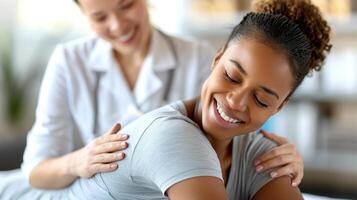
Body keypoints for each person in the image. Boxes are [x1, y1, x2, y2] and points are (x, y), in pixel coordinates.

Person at [1, 0, 332, 199]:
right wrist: (79, 160)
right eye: (100, 17)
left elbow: (243, 108)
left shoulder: (198, 58)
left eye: (126, 4)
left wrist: (284, 157)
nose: (117, 24)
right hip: (64, 187)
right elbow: (35, 169)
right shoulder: (69, 60)